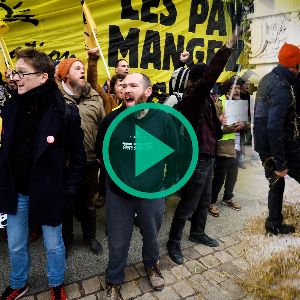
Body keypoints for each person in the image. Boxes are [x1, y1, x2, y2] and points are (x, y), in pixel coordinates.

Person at [0, 49, 86, 300]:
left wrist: (67, 192)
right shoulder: (12, 107)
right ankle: (19, 282)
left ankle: (56, 282)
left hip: (49, 192)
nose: (16, 78)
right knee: (15, 244)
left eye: (22, 72)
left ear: (44, 77)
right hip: (16, 191)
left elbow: (79, 158)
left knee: (53, 244)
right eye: (15, 72)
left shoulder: (66, 113)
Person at [96, 72, 178, 299]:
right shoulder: (111, 121)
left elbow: (174, 152)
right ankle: (113, 279)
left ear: (148, 92)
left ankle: (152, 266)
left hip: (152, 193)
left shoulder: (163, 119)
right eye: (124, 85)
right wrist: (118, 179)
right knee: (118, 240)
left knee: (151, 236)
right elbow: (101, 155)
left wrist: (166, 185)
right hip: (118, 194)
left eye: (134, 85)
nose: (127, 89)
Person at [167, 33, 237, 265]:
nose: (213, 83)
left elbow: (213, 131)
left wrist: (226, 125)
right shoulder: (192, 97)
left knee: (205, 198)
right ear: (198, 81)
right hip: (196, 159)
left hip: (209, 157)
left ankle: (198, 232)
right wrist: (225, 50)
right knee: (188, 202)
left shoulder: (206, 100)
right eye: (208, 79)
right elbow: (208, 77)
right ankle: (173, 243)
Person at [56, 57, 106, 254]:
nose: (82, 71)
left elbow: (103, 127)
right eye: (77, 68)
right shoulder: (56, 99)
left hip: (90, 161)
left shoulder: (95, 98)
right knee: (66, 205)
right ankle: (66, 241)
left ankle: (90, 237)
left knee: (89, 203)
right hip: (65, 164)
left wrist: (102, 154)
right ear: (66, 74)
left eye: (83, 68)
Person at [254, 43, 300, 235]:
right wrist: (281, 163)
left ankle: (273, 222)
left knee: (275, 182)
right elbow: (274, 127)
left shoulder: (268, 78)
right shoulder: (282, 87)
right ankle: (273, 222)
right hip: (278, 146)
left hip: (264, 145)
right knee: (277, 178)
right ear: (294, 66)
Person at [209, 78, 249, 217]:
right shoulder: (219, 104)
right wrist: (231, 128)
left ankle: (228, 198)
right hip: (224, 146)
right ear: (227, 89)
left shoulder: (240, 103)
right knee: (219, 176)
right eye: (234, 88)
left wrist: (244, 125)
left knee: (233, 175)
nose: (238, 90)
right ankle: (211, 201)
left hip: (237, 145)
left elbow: (247, 123)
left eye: (239, 88)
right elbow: (215, 126)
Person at [87, 48, 125, 114]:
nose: (123, 88)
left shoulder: (132, 102)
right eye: (120, 85)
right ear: (113, 89)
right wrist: (93, 59)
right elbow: (93, 85)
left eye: (125, 86)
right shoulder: (107, 99)